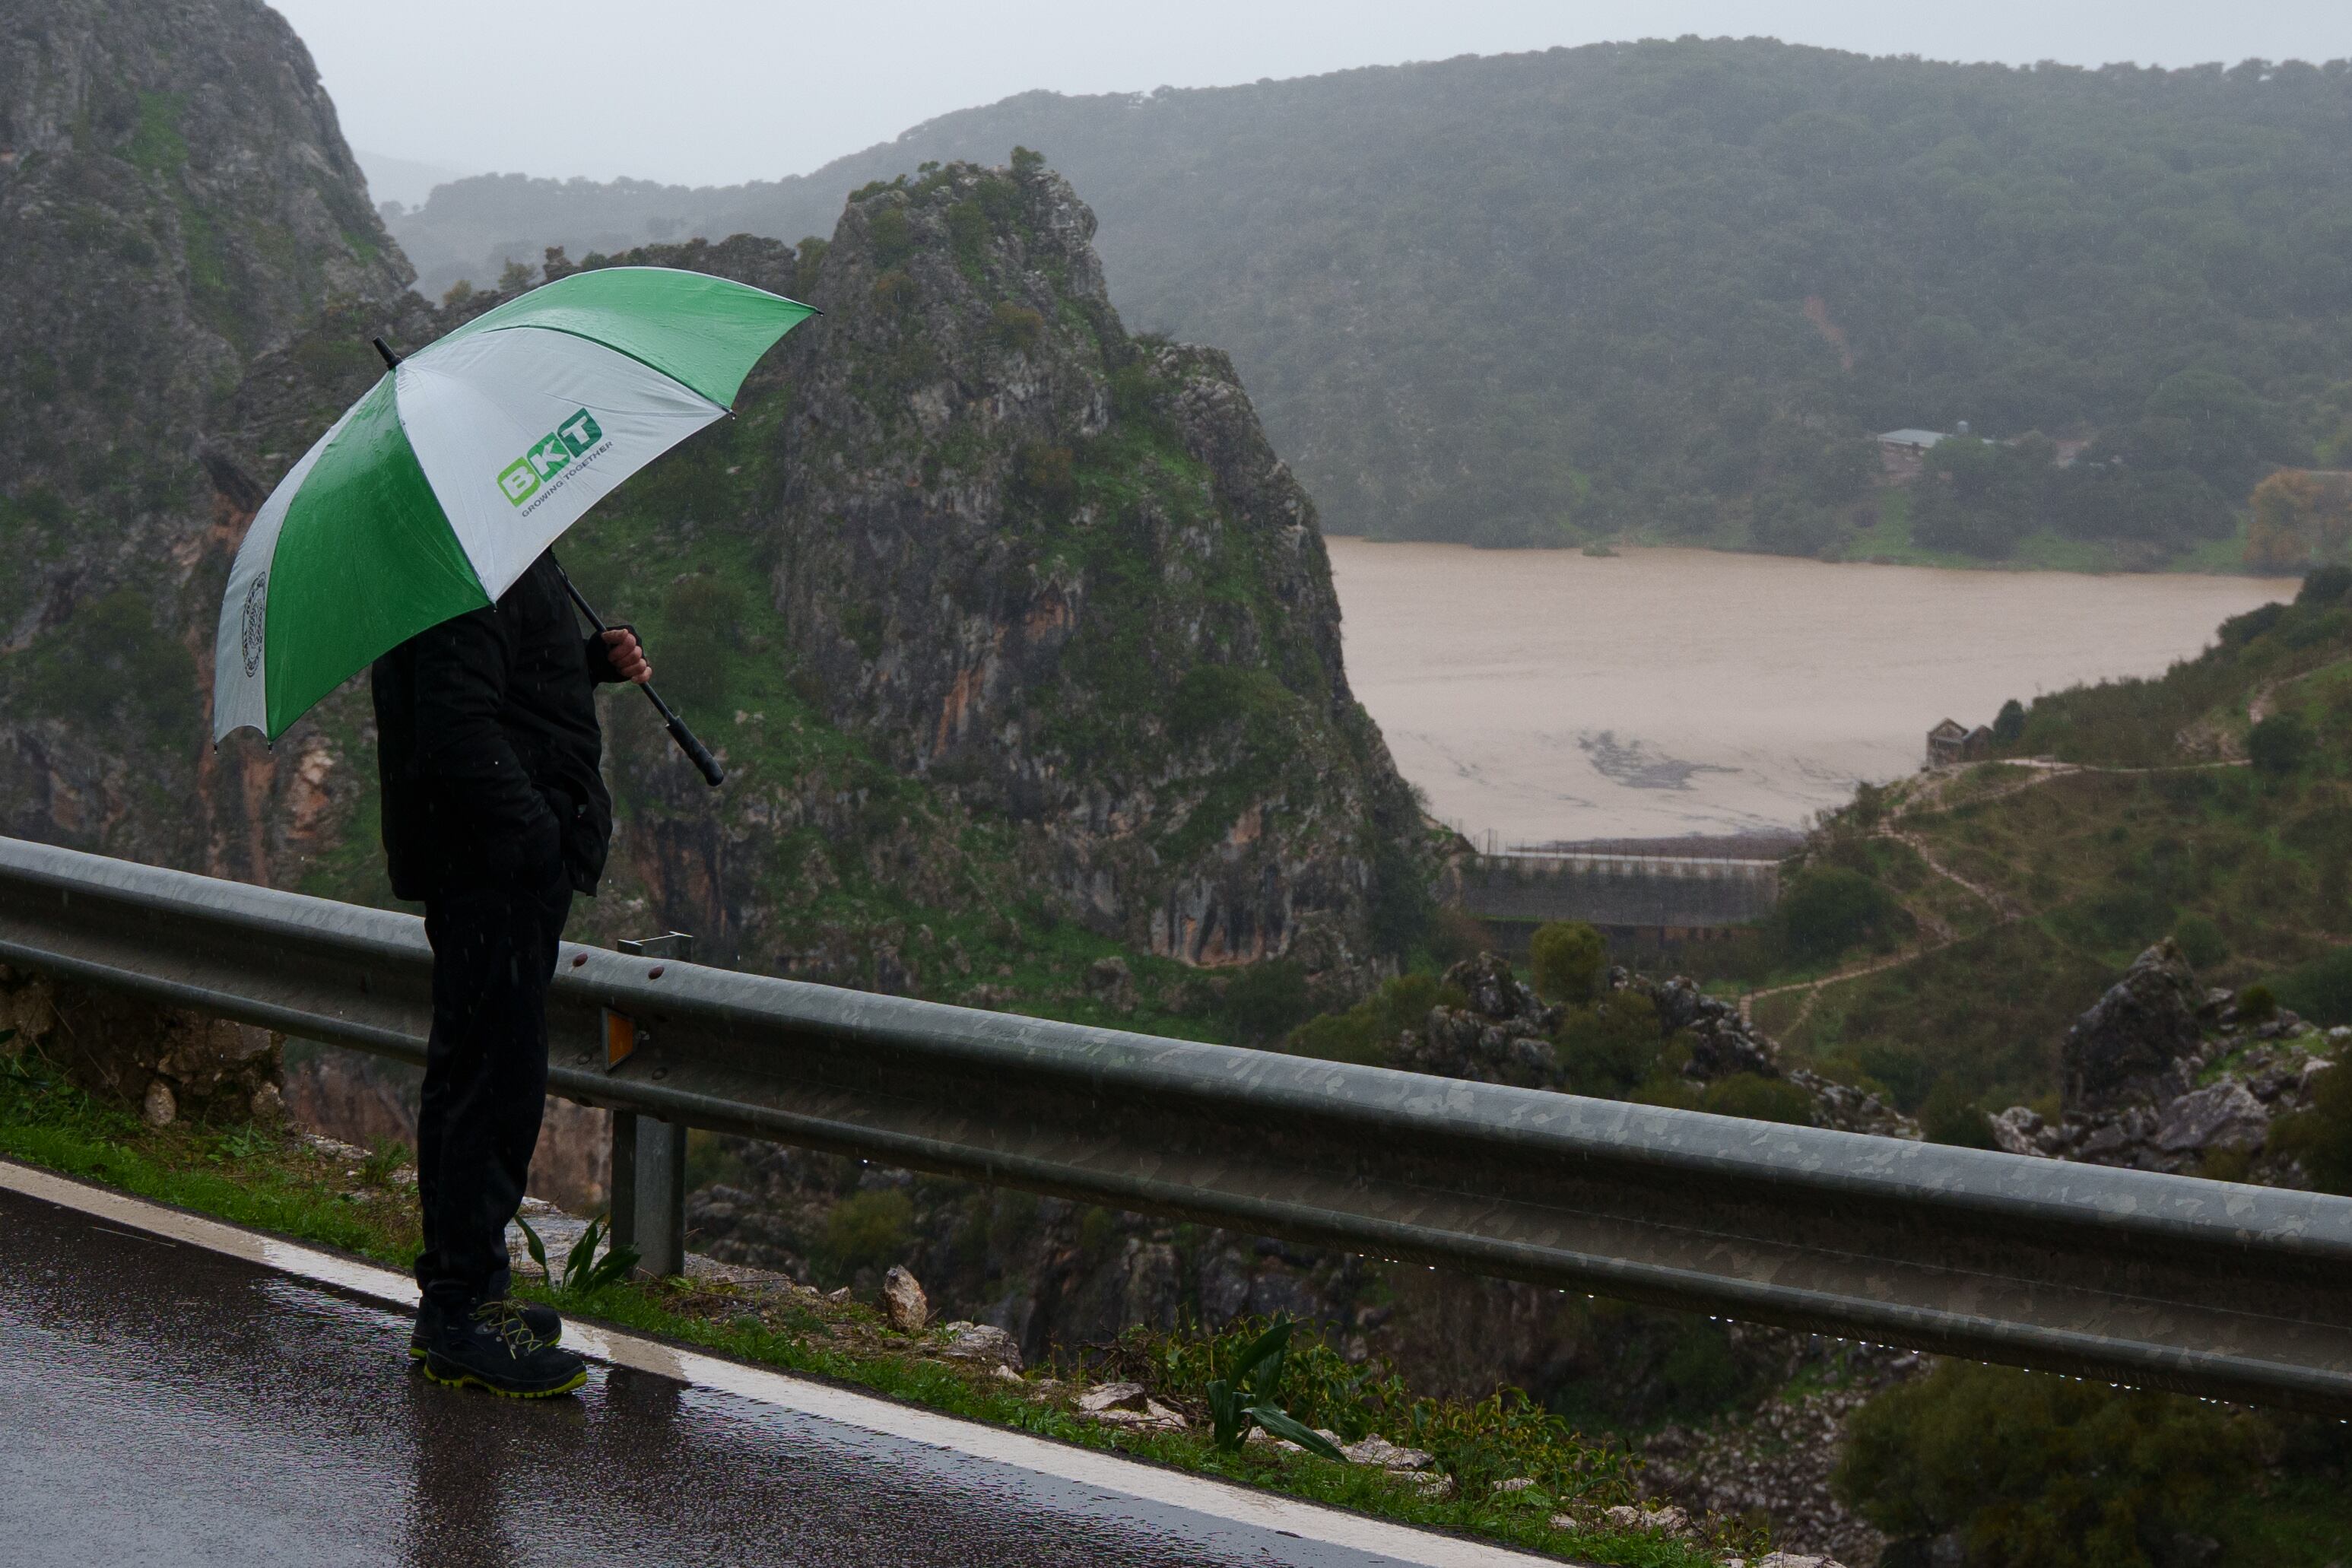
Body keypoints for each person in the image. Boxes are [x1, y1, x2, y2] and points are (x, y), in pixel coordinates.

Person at [371, 549, 649, 1398]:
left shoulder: (488, 556)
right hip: (492, 872)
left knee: (480, 1074)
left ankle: (463, 1294)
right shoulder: (465, 566)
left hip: (494, 868)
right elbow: (458, 726)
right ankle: (462, 1309)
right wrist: (537, 844)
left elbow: (510, 683)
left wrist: (588, 661)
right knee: (491, 1084)